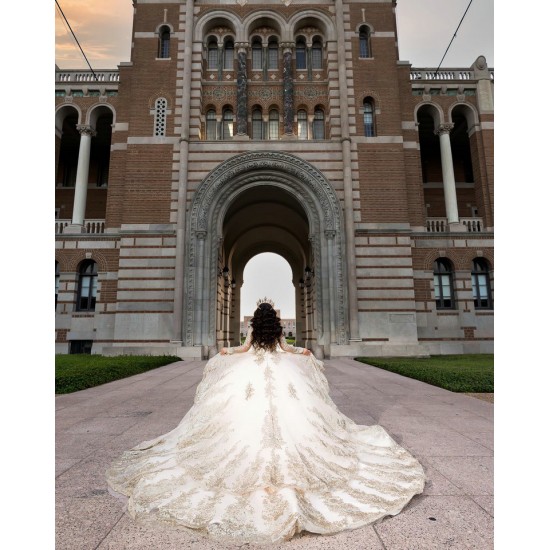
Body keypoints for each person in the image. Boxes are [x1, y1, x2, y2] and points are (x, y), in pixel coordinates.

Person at [106, 299, 425, 545]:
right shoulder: (278, 334)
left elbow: (242, 349)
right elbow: (288, 349)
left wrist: (227, 352)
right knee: (299, 422)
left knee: (238, 422)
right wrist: (304, 353)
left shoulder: (253, 332)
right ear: (274, 320)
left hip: (252, 375)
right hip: (283, 375)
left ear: (256, 320)